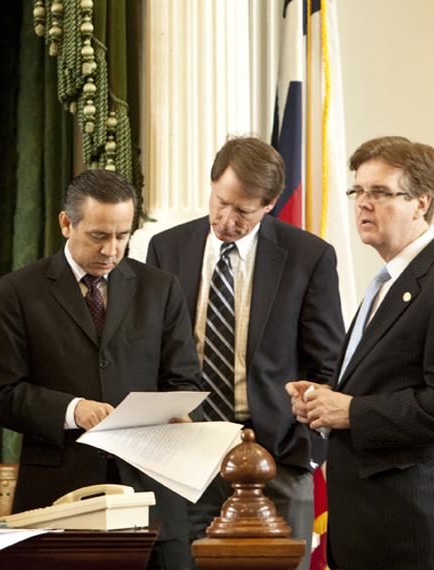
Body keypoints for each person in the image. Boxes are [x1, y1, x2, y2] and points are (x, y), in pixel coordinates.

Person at [287, 136, 434, 569]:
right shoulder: (388, 280)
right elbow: (383, 381)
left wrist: (352, 412)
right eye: (358, 191)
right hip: (374, 531)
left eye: (380, 193)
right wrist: (325, 401)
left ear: (421, 202)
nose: (363, 204)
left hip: (420, 535)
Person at [0, 169, 201, 569]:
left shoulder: (160, 288)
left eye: (123, 235)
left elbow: (184, 381)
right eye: (99, 236)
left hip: (152, 501)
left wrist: (179, 414)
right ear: (67, 224)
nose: (112, 250)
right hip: (58, 500)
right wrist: (72, 410)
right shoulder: (19, 291)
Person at [145, 136, 344, 569]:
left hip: (278, 454)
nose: (225, 219)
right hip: (190, 450)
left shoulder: (308, 256)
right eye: (220, 201)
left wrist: (304, 446)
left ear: (270, 203)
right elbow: (154, 348)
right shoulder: (167, 247)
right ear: (213, 183)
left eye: (243, 211)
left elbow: (325, 361)